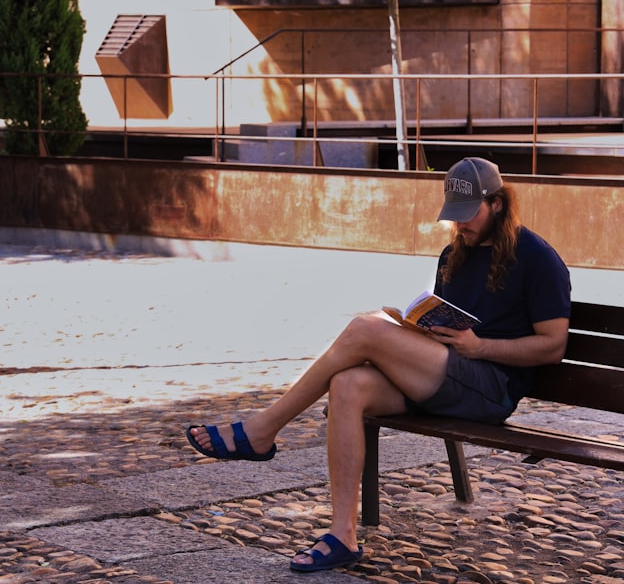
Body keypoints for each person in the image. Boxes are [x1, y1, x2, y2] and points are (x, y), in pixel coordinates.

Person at [186, 157, 572, 573]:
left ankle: (262, 431)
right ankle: (342, 536)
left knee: (364, 330)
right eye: (454, 217)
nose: (461, 225)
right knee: (348, 384)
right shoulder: (453, 255)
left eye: (469, 214)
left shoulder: (536, 257)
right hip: (445, 377)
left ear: (497, 204)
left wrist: (480, 348)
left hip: (491, 389)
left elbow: (552, 347)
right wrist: (418, 331)